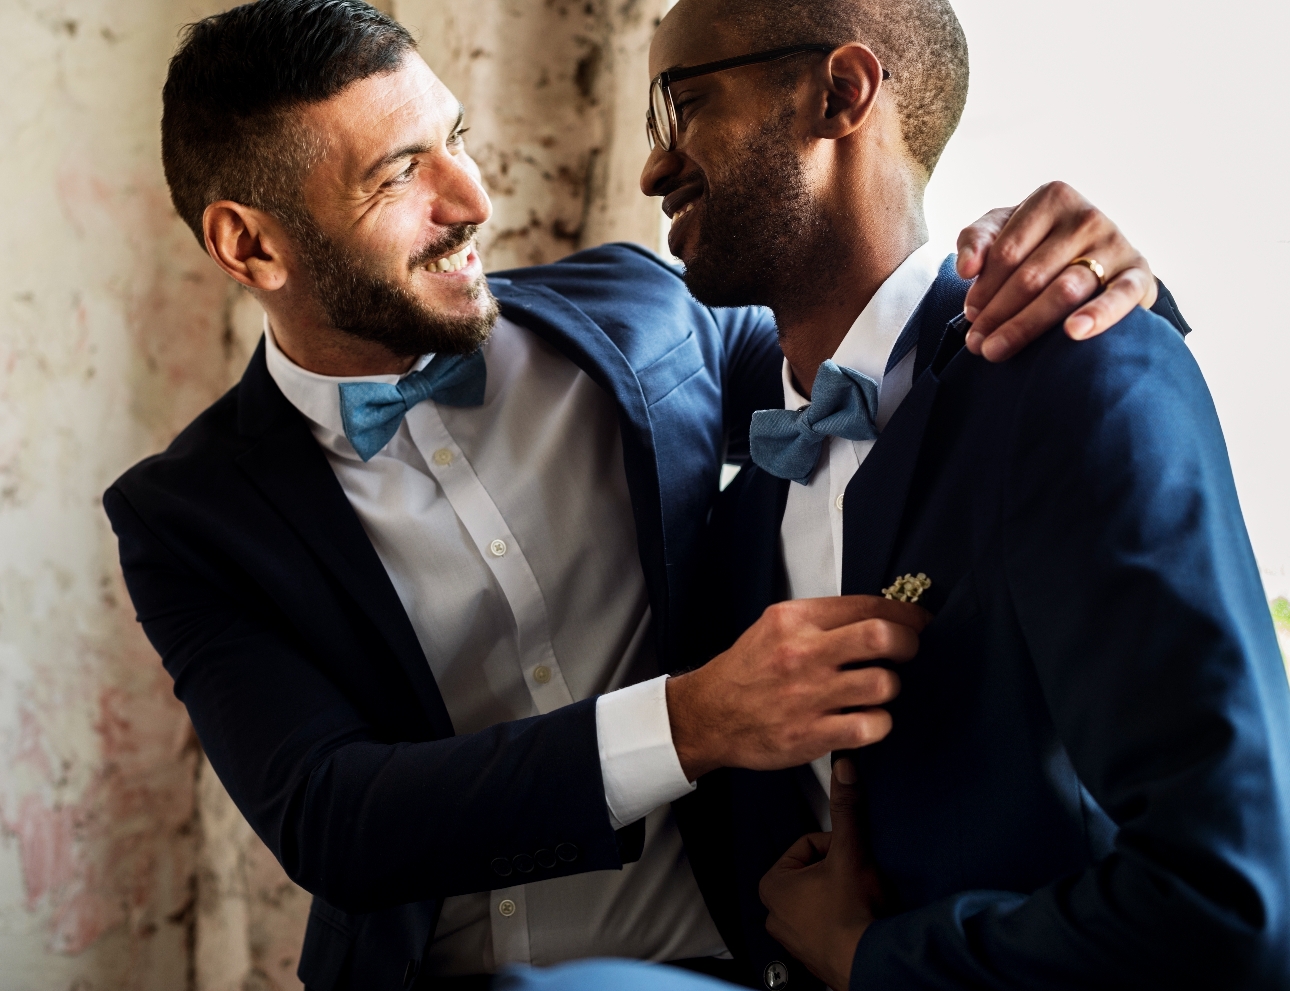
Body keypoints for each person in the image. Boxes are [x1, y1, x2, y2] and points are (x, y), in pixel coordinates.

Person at [103, 1, 1186, 988]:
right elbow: (332, 815)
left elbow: (883, 346)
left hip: (734, 956)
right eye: (398, 176)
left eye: (458, 141)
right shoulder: (186, 519)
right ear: (250, 243)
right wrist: (694, 721)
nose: (475, 200)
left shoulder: (639, 316)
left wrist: (1067, 275)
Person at [633, 0, 1290, 988]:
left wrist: (876, 960)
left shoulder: (1080, 371)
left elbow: (1239, 904)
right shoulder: (736, 516)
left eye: (681, 105)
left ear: (842, 93)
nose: (654, 166)